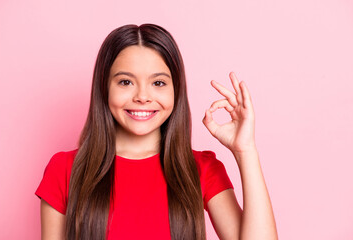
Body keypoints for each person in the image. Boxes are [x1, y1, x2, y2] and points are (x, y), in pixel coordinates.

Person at [36, 23, 278, 240]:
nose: (142, 96)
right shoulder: (65, 170)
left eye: (158, 83)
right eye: (125, 82)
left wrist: (245, 150)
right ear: (104, 88)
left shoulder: (201, 169)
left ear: (176, 90)